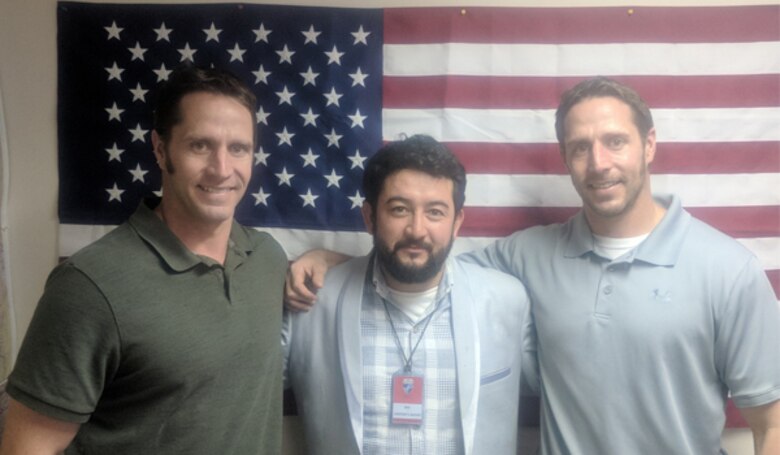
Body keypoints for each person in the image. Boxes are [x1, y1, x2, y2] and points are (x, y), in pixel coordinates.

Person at [285, 77, 780, 454]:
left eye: (615, 141)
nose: (599, 162)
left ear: (649, 144)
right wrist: (338, 264)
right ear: (565, 157)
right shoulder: (527, 257)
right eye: (580, 147)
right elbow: (420, 264)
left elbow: (771, 421)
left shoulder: (727, 269)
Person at [0, 66, 288, 454]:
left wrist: (323, 257)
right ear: (160, 148)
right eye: (199, 145)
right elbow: (26, 448)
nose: (222, 169)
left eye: (239, 148)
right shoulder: (89, 284)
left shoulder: (267, 259)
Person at [283, 135, 535, 455]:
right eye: (400, 209)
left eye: (435, 212)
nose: (417, 229)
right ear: (370, 217)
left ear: (457, 222)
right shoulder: (310, 303)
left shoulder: (508, 302)